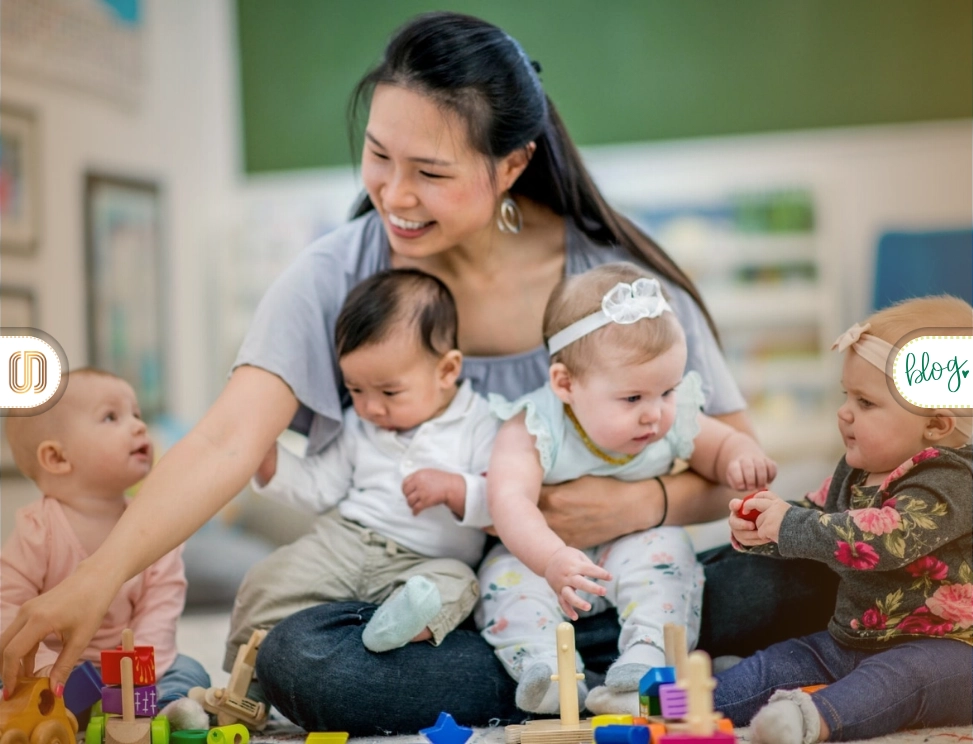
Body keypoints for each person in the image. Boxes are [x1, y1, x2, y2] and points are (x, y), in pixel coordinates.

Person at [0, 12, 838, 735]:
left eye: (431, 173)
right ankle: (601, 672)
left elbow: (739, 472)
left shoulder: (612, 295)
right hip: (438, 603)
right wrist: (93, 579)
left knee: (806, 567)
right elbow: (224, 440)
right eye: (377, 156)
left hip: (606, 580)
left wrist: (634, 504)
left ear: (511, 164)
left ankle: (591, 663)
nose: (392, 195)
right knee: (302, 658)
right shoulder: (335, 275)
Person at [479, 262, 777, 715]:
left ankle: (644, 660)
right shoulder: (535, 425)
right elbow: (508, 500)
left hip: (634, 548)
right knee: (505, 583)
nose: (654, 414)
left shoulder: (668, 416)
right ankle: (547, 672)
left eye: (668, 391)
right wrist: (551, 558)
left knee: (669, 552)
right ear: (566, 384)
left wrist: (740, 456)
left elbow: (721, 447)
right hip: (551, 558)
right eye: (633, 398)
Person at [716, 295, 973, 743]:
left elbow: (887, 538)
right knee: (777, 663)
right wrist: (763, 528)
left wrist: (789, 525)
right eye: (846, 395)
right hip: (852, 640)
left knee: (897, 680)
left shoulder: (952, 479)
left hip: (948, 654)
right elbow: (817, 520)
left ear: (935, 424)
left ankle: (812, 720)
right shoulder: (857, 470)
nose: (844, 411)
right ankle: (672, 697)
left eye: (866, 403)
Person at [225, 268, 497, 669]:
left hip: (426, 561)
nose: (371, 407)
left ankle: (397, 625)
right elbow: (321, 487)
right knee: (267, 579)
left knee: (459, 586)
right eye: (355, 389)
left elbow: (508, 503)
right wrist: (269, 461)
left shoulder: (482, 423)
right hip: (347, 541)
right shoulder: (359, 423)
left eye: (389, 392)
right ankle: (245, 686)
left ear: (446, 371)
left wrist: (458, 489)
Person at [0, 369, 210, 729]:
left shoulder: (154, 528)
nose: (139, 426)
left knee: (191, 670)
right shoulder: (37, 530)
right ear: (57, 458)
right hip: (56, 672)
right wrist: (46, 667)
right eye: (112, 417)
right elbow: (8, 608)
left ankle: (167, 709)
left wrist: (139, 673)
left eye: (137, 415)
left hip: (134, 671)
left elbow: (161, 606)